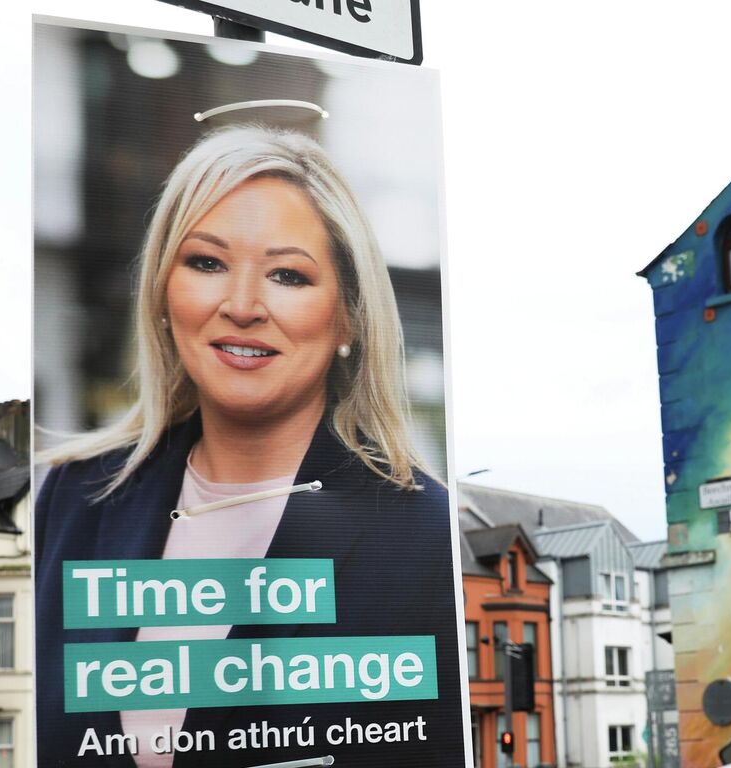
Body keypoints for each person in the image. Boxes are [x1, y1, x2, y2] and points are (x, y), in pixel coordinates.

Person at [35, 125, 459, 768]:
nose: (241, 305)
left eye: (287, 275)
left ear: (347, 313)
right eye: (206, 263)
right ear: (161, 291)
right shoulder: (73, 495)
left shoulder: (423, 532)